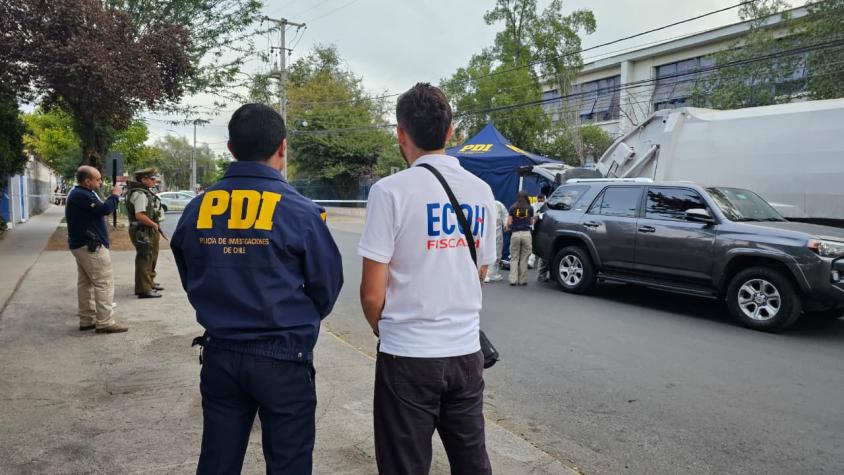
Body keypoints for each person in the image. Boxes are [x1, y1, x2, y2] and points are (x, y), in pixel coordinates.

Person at [171, 103, 343, 475]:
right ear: (282, 148)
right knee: (289, 462)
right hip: (283, 356)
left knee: (217, 460)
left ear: (230, 148)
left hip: (220, 353)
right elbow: (326, 287)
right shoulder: (301, 211)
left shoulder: (198, 207)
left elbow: (189, 270)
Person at [359, 83, 496, 475]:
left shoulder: (389, 192)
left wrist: (389, 330)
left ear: (401, 134)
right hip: (467, 354)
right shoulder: (482, 192)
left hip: (407, 356)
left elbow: (371, 295)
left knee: (405, 465)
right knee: (472, 463)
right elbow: (481, 270)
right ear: (450, 131)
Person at [65, 166, 128, 334]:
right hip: (90, 246)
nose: (101, 182)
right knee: (104, 283)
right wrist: (115, 195)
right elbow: (104, 209)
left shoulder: (82, 193)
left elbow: (99, 210)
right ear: (87, 181)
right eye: (98, 179)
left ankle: (87, 319)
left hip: (83, 244)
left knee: (85, 283)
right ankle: (105, 322)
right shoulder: (81, 195)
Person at [126, 168, 165, 299]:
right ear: (143, 180)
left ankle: (150, 282)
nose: (154, 181)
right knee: (144, 258)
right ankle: (144, 289)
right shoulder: (140, 194)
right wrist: (154, 224)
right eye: (152, 179)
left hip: (147, 229)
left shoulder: (145, 192)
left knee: (152, 256)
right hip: (142, 230)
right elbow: (140, 215)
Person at [507, 191, 535, 286]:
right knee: (524, 258)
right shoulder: (530, 208)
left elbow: (509, 223)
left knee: (514, 257)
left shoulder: (512, 207)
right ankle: (522, 280)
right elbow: (531, 222)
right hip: (526, 234)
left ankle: (513, 280)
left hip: (515, 234)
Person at [485, 200, 508, 283]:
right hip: (486, 234)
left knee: (496, 253)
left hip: (496, 233)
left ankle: (492, 273)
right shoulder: (483, 203)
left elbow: (505, 215)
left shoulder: (498, 205)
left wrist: (506, 223)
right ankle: (485, 274)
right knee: (484, 253)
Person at [532, 194, 550, 282]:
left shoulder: (547, 206)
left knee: (544, 255)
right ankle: (541, 274)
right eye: (538, 198)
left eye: (541, 199)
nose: (540, 200)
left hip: (543, 233)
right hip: (540, 233)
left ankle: (543, 274)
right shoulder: (536, 206)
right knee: (543, 255)